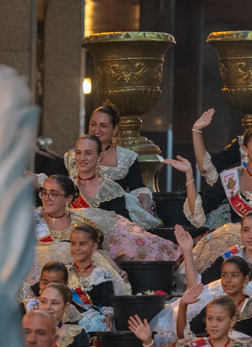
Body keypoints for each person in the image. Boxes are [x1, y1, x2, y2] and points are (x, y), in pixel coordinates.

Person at [32, 173, 169, 269]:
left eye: (53, 194)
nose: (47, 198)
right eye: (44, 193)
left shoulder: (80, 220)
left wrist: (116, 269)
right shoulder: (31, 218)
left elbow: (97, 252)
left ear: (68, 199)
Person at [177, 126, 252, 228]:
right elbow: (199, 210)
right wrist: (189, 174)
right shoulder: (230, 178)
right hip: (234, 243)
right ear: (245, 149)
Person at [66, 134, 162, 230]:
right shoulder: (64, 186)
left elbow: (124, 226)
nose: (82, 158)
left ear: (100, 156)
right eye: (78, 153)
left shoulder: (111, 189)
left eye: (88, 153)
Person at [179, 254, 252, 340]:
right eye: (224, 275)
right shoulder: (214, 305)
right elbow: (184, 336)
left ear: (246, 279)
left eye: (234, 275)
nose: (228, 280)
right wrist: (183, 305)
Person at [194, 212, 252, 285]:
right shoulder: (231, 254)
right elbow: (200, 283)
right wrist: (186, 250)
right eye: (246, 230)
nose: (250, 236)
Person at [73, 102, 141, 192]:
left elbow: (138, 189)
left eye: (103, 126)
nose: (97, 130)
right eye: (93, 124)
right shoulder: (71, 156)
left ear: (115, 129)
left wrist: (145, 200)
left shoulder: (127, 157)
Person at [33, 283, 94, 347]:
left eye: (54, 303)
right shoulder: (26, 334)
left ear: (66, 307)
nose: (47, 307)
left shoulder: (76, 335)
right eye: (43, 301)